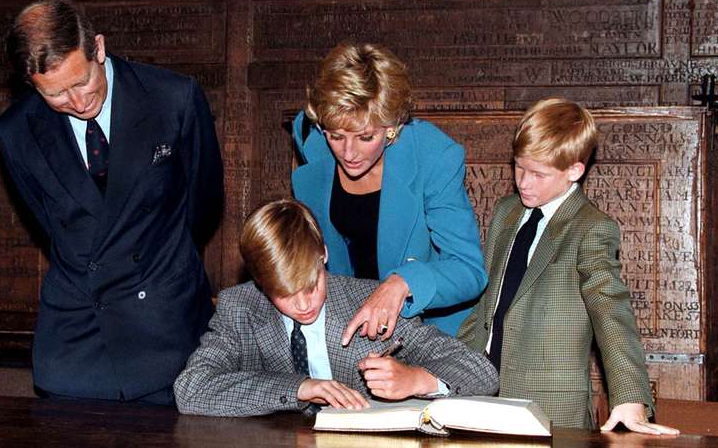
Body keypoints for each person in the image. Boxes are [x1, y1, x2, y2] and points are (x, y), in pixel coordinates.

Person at [0, 0, 223, 404]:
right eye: (56, 95)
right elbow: (49, 220)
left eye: (82, 81)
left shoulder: (173, 98)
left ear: (97, 47)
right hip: (77, 336)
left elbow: (202, 204)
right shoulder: (17, 130)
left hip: (164, 326)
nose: (79, 103)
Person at [458, 98, 678, 435]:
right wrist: (452, 368)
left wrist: (631, 395)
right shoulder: (506, 211)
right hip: (479, 393)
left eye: (538, 174)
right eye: (518, 167)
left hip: (551, 407)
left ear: (574, 170)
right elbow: (486, 303)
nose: (523, 183)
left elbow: (610, 308)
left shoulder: (591, 227)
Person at [174, 199, 497, 417]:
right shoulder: (240, 308)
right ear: (259, 282)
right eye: (283, 294)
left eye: (311, 285)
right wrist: (299, 387)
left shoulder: (370, 302)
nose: (303, 304)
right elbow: (191, 389)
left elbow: (482, 372)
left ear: (324, 255)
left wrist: (416, 380)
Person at [292, 42, 486, 344]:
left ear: (392, 127)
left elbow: (468, 270)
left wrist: (403, 283)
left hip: (429, 329)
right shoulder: (314, 142)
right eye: (336, 135)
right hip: (348, 324)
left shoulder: (432, 156)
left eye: (366, 137)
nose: (348, 152)